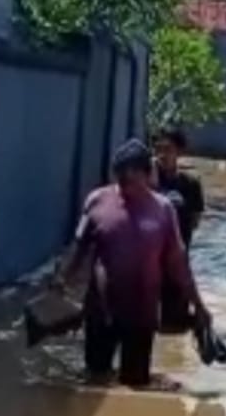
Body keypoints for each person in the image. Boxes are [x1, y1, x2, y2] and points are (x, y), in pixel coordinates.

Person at [54, 139, 210, 388]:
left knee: (136, 384)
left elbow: (178, 265)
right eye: (120, 177)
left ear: (148, 175)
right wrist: (60, 281)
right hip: (101, 311)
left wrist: (199, 307)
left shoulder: (164, 210)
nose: (124, 184)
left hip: (142, 315)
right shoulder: (97, 201)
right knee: (94, 380)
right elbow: (78, 249)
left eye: (131, 177)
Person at [152, 127, 205, 250]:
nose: (162, 155)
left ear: (179, 152)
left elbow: (195, 222)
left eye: (167, 149)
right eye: (158, 149)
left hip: (178, 254)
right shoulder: (146, 180)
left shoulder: (191, 184)